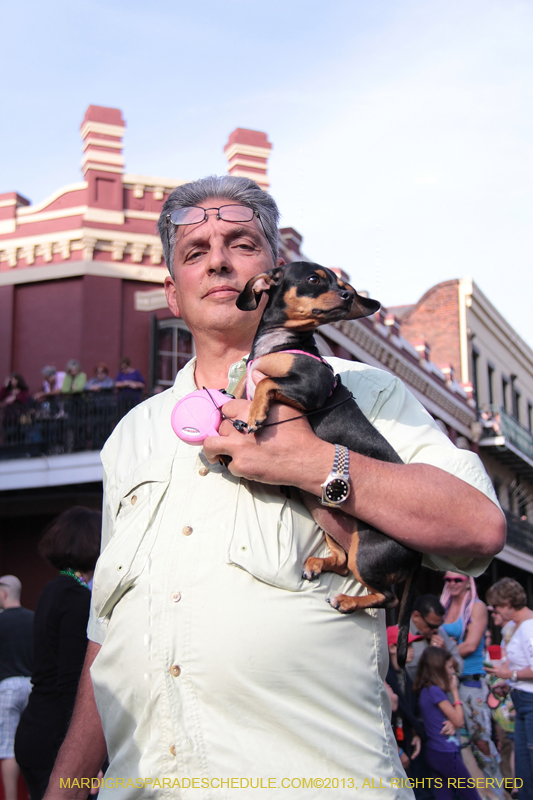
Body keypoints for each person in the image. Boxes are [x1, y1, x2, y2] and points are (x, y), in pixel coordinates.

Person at [44, 175, 505, 800]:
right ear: (172, 295)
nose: (219, 261)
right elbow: (109, 640)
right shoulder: (131, 437)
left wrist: (315, 463)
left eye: (240, 242)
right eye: (194, 252)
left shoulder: (362, 391)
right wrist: (65, 788)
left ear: (274, 273)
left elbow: (478, 528)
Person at [15, 508, 101, 800]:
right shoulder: (76, 598)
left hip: (35, 728)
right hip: (54, 738)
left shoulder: (53, 589)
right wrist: (85, 758)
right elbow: (71, 683)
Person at [440, 573, 503, 792]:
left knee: (481, 739)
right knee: (457, 742)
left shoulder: (476, 606)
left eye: (457, 579)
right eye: (448, 579)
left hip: (470, 682)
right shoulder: (443, 605)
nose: (452, 583)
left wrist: (441, 652)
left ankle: (496, 791)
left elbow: (470, 645)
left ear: (468, 581)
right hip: (446, 682)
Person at [486, 577, 533, 799]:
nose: (495, 611)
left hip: (530, 703)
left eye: (496, 606)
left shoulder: (529, 627)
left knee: (528, 765)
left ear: (507, 604)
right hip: (521, 700)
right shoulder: (521, 627)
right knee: (523, 766)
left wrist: (509, 674)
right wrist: (509, 681)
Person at [414, 647, 483, 800]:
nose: (453, 672)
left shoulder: (426, 690)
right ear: (439, 668)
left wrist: (452, 721)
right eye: (450, 667)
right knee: (472, 796)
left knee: (443, 796)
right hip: (445, 752)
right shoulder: (435, 691)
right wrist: (455, 691)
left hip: (434, 751)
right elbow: (459, 721)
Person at [0, 576, 34, 800]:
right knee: (32, 746)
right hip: (33, 687)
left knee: (8, 748)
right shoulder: (35, 619)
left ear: (3, 593)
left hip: (7, 688)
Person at [386, 626, 424, 780]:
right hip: (391, 751)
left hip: (406, 743)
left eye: (411, 645)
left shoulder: (404, 674)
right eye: (407, 645)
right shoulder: (384, 676)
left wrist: (416, 733)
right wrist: (398, 751)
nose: (412, 650)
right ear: (392, 648)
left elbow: (412, 710)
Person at [407, 594, 464, 682]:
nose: (435, 630)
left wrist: (444, 653)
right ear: (416, 616)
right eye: (431, 626)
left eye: (438, 626)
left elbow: (459, 668)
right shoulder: (399, 635)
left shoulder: (439, 631)